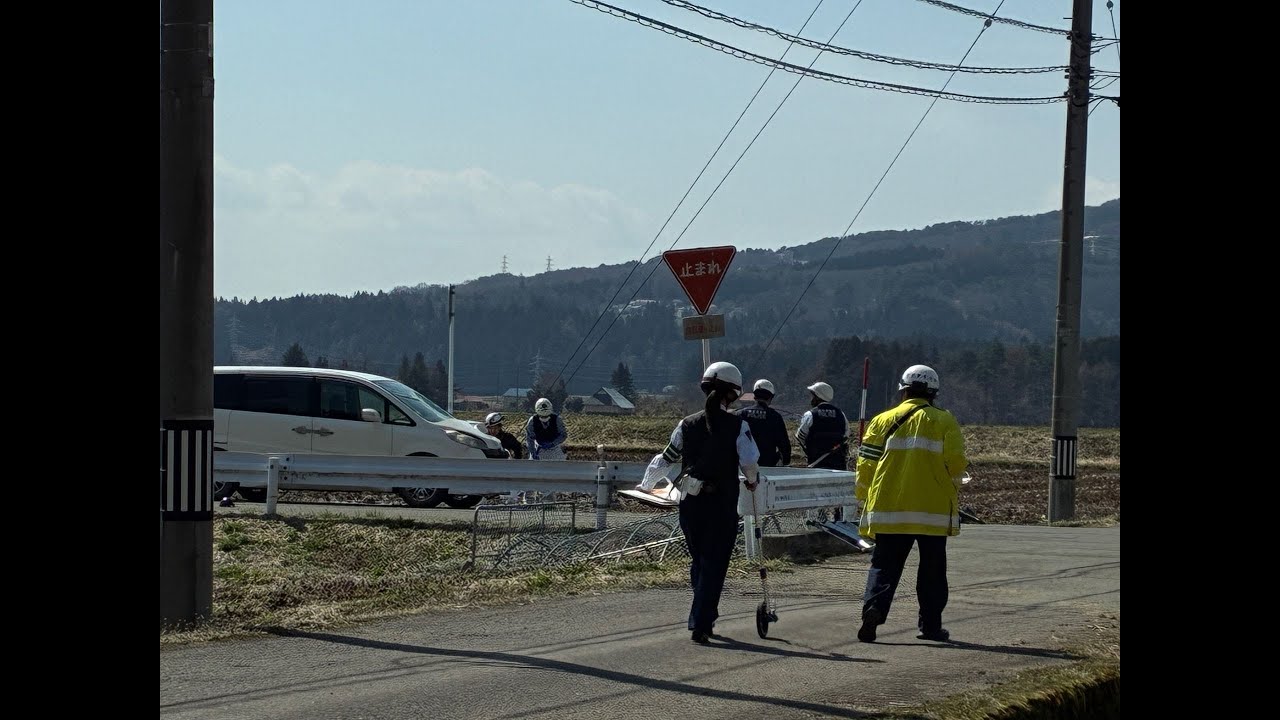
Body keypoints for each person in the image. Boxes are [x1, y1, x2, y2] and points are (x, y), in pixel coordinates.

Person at [642, 361, 761, 644]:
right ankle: (701, 621)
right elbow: (749, 462)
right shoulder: (738, 425)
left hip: (690, 503)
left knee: (700, 561)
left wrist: (645, 485)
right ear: (732, 394)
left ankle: (705, 614)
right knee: (715, 563)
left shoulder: (686, 424)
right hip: (721, 503)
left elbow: (666, 458)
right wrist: (753, 480)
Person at [854, 364, 968, 644]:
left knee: (884, 566)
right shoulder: (945, 421)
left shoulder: (881, 420)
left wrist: (864, 498)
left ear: (903, 390)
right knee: (932, 571)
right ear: (933, 393)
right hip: (933, 511)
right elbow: (955, 463)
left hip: (889, 508)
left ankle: (874, 609)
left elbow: (865, 464)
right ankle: (930, 627)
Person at [734, 379, 791, 467]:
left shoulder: (741, 414)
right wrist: (785, 461)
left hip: (743, 468)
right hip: (768, 466)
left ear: (754, 396)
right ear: (771, 397)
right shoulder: (775, 417)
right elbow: (785, 446)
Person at [795, 381, 849, 469]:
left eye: (812, 396)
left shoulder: (810, 414)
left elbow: (800, 436)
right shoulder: (841, 414)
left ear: (817, 396)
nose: (811, 399)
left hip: (816, 464)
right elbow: (846, 436)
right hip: (838, 465)